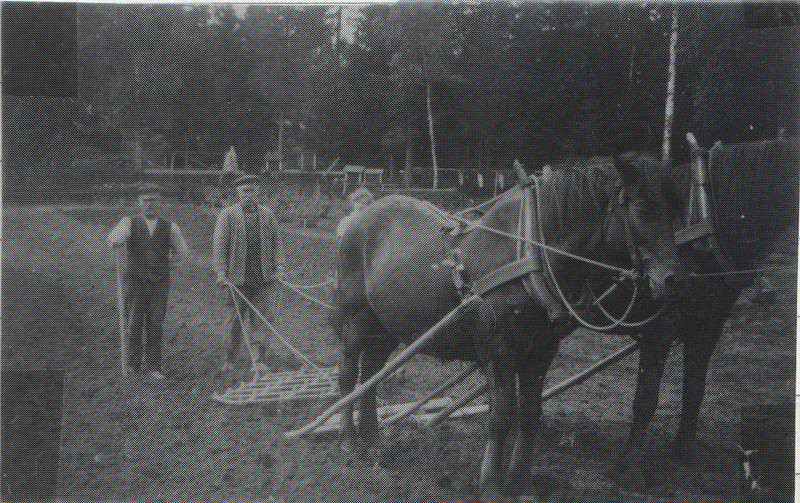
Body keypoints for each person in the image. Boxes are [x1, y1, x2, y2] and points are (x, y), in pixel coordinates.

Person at [108, 183, 190, 380]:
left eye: (153, 200)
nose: (150, 204)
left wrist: (166, 266)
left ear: (159, 202)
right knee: (133, 323)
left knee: (156, 324)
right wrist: (117, 240)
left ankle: (154, 367)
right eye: (146, 200)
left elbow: (182, 252)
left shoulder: (170, 227)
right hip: (135, 281)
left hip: (159, 283)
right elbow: (116, 236)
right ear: (139, 202)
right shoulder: (129, 222)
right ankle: (133, 365)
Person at [213, 174, 287, 375]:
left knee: (262, 319)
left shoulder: (267, 214)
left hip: (263, 278)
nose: (248, 195)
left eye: (252, 191)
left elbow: (277, 243)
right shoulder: (227, 215)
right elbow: (220, 246)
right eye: (244, 191)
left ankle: (259, 360)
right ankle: (229, 358)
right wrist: (221, 272)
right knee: (234, 320)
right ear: (238, 193)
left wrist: (279, 268)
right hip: (237, 279)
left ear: (257, 191)